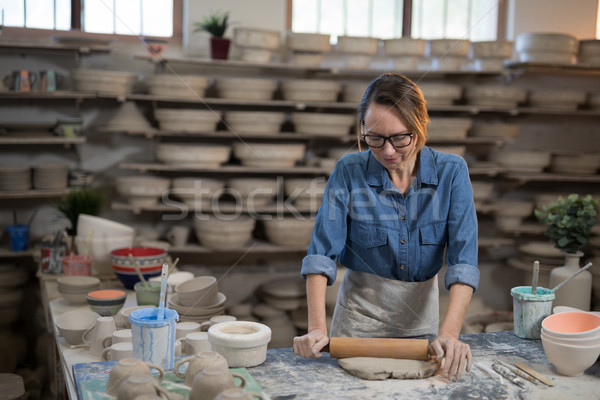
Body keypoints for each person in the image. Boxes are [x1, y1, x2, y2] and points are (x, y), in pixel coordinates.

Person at [292, 72, 479, 380]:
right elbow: (321, 253)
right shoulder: (349, 171)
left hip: (423, 329)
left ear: (420, 125)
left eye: (399, 138)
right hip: (358, 326)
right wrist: (316, 328)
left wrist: (450, 333)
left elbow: (464, 261)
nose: (388, 151)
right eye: (375, 139)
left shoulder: (451, 172)